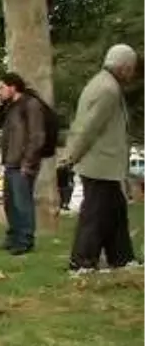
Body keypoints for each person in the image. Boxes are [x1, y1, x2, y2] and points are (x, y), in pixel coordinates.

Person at [64, 44, 138, 273]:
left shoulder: (102, 83)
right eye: (131, 69)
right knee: (95, 214)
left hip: (105, 163)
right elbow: (88, 128)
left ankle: (122, 258)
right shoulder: (108, 89)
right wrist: (70, 157)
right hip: (100, 164)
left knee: (114, 211)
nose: (132, 74)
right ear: (124, 67)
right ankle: (81, 261)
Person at [0, 71, 48, 255]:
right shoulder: (10, 106)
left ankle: (25, 240)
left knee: (22, 202)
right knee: (10, 203)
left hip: (23, 162)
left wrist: (28, 162)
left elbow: (37, 136)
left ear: (12, 87)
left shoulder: (31, 105)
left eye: (1, 87)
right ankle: (13, 236)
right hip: (10, 161)